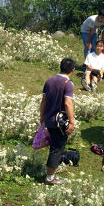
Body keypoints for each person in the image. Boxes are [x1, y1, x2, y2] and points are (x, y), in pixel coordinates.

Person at [40, 58, 77, 186]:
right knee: (57, 148)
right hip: (59, 122)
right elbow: (68, 103)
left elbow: (43, 100)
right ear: (73, 70)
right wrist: (71, 122)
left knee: (54, 146)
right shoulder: (68, 84)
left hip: (49, 119)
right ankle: (50, 178)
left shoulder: (49, 81)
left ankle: (52, 169)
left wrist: (41, 116)